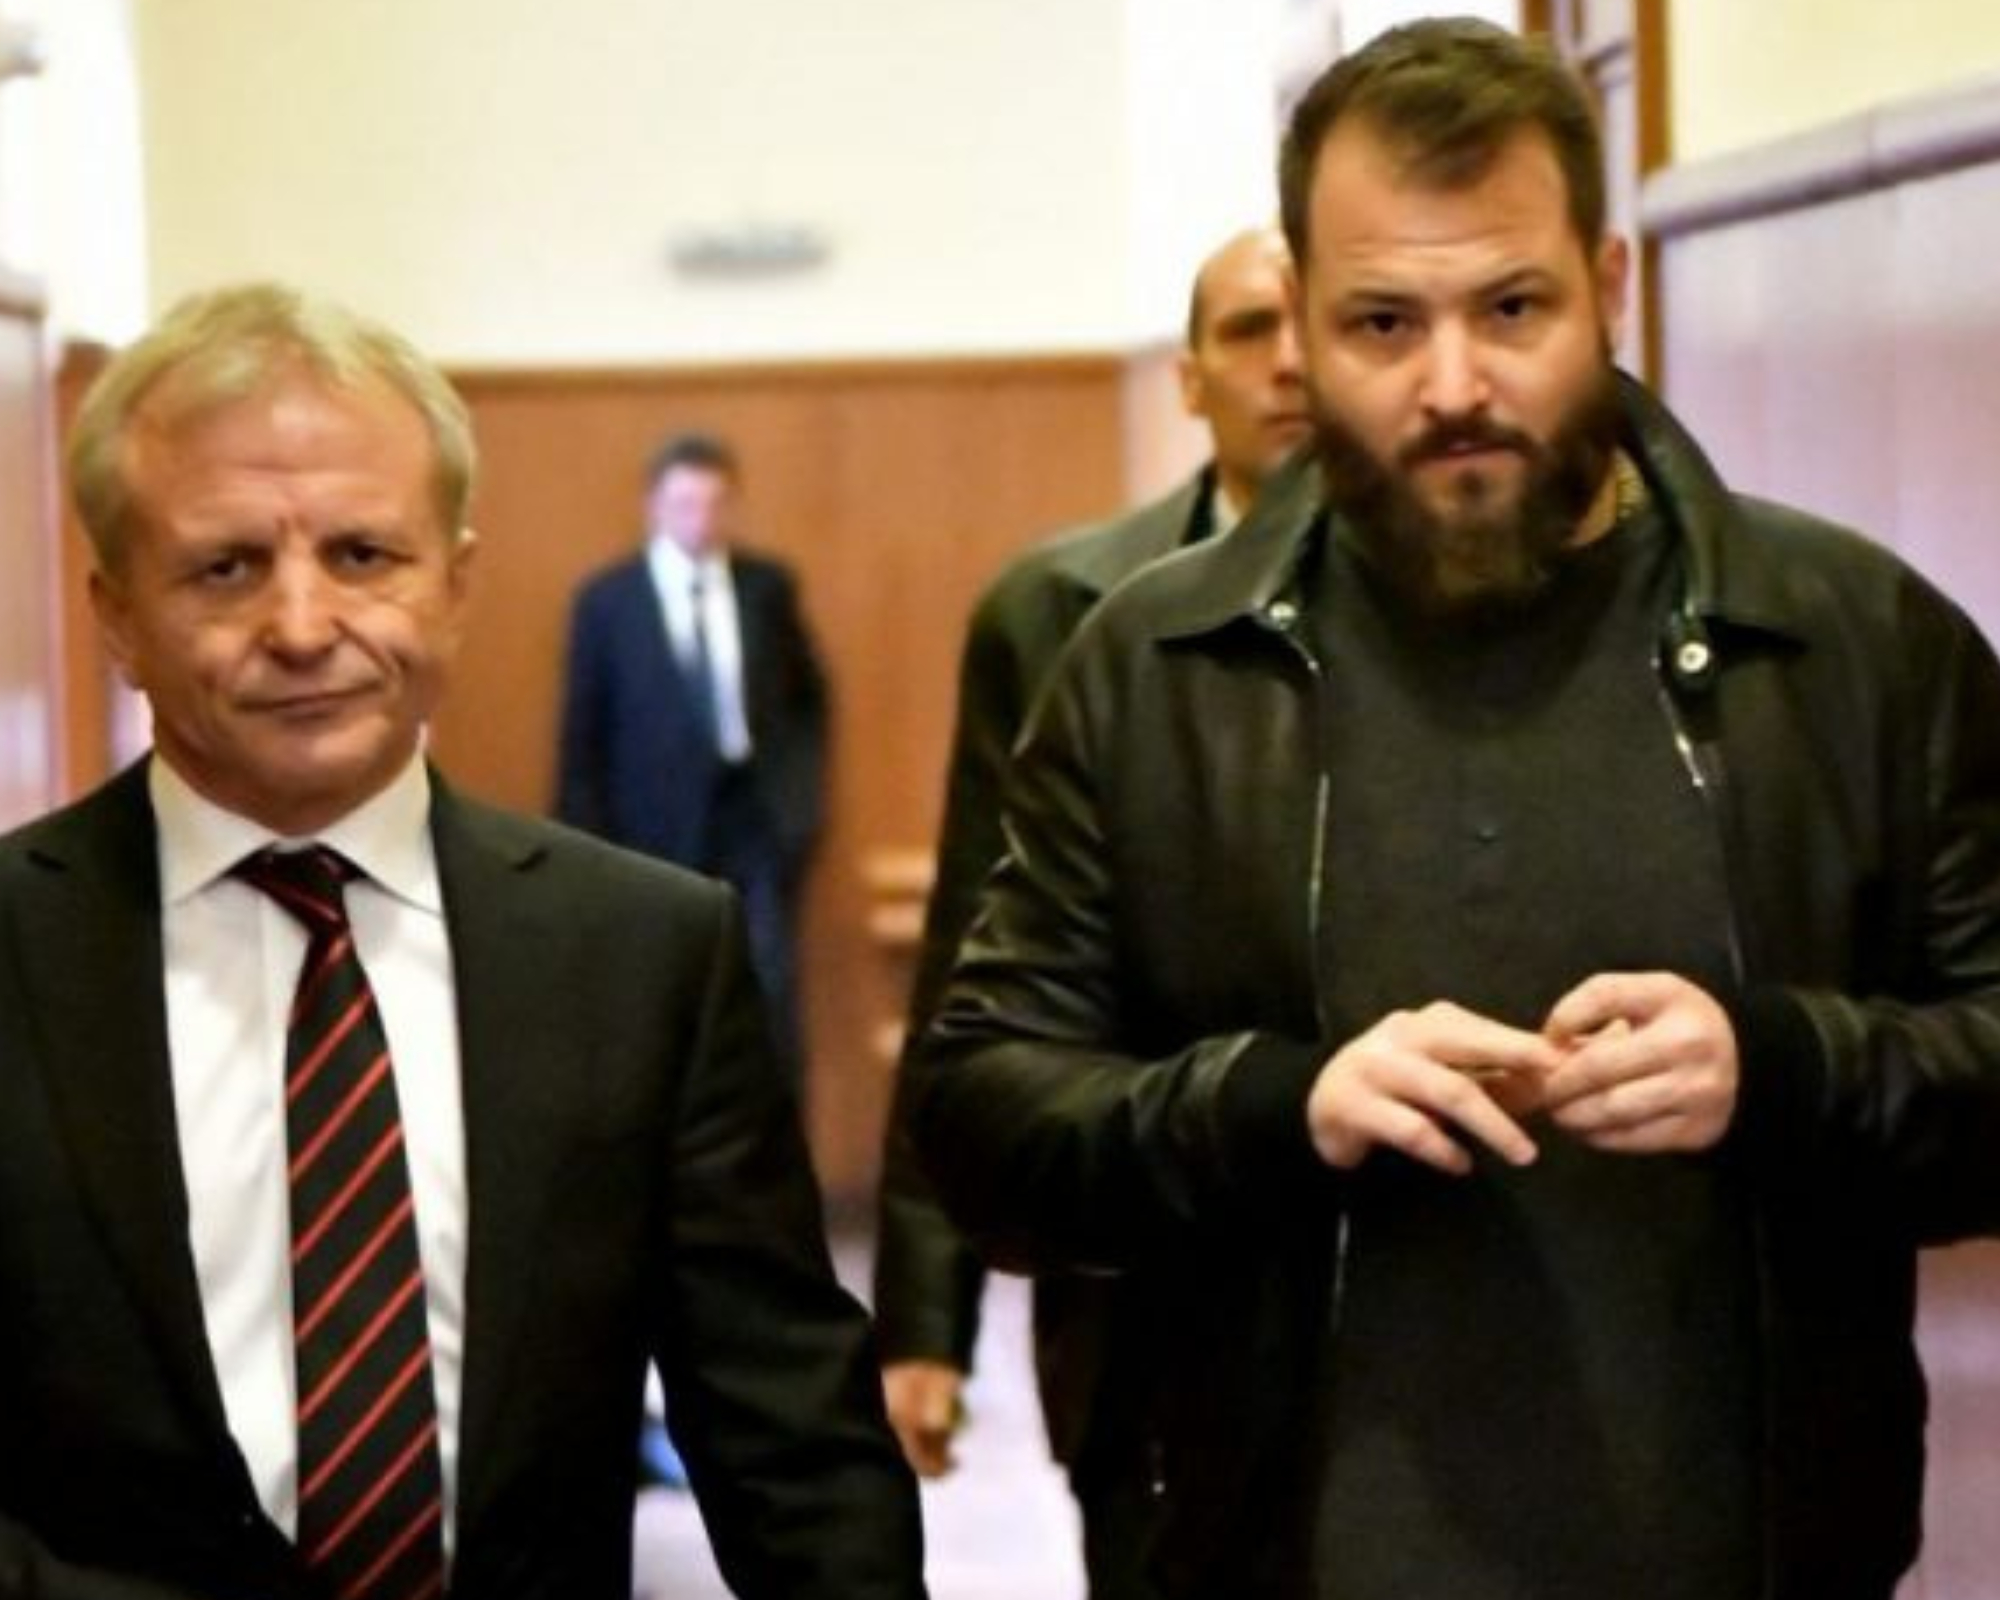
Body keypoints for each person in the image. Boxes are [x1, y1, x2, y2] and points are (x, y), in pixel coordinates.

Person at [911, 19, 2000, 1600]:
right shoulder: (1155, 670)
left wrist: (1779, 1068)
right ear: (1301, 325)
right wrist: (1280, 1110)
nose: (1454, 385)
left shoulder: (1855, 644)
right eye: (1382, 322)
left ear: (1609, 288)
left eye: (1512, 308)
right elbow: (984, 1122)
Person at [0, 283, 924, 1600]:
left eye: (363, 556)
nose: (304, 627)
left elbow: (796, 1451)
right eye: (227, 567)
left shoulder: (645, 956)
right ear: (116, 616)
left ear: (454, 587)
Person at [871, 225, 1306, 1597]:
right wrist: (924, 1312)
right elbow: (975, 961)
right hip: (1138, 1270)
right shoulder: (1060, 608)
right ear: (1188, 377)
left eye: (1322, 319)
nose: (1290, 362)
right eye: (1249, 329)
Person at [556, 432, 828, 1087]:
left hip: (753, 819)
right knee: (658, 998)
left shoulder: (767, 588)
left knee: (769, 991)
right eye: (684, 504)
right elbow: (582, 734)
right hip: (649, 831)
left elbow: (809, 701)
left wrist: (798, 811)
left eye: (714, 504)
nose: (700, 520)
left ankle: (774, 1139)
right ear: (654, 506)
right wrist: (586, 846)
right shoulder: (608, 601)